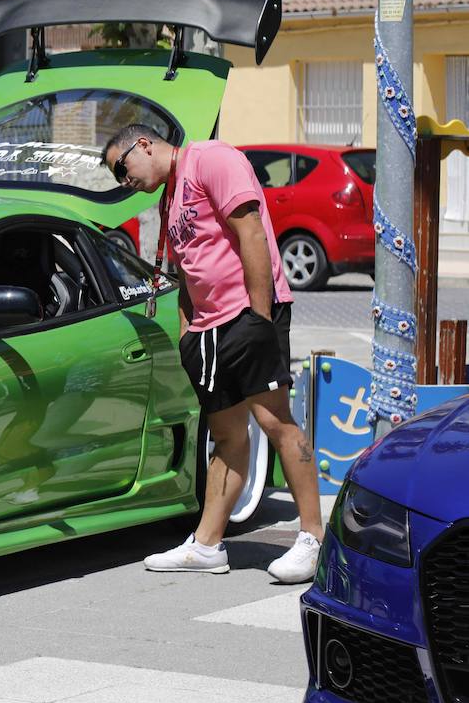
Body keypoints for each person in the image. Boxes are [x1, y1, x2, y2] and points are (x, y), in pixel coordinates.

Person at [102, 124, 323, 583]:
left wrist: (259, 320)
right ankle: (206, 545)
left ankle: (312, 538)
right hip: (209, 329)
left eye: (122, 170)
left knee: (274, 420)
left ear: (143, 144)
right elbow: (187, 272)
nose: (126, 183)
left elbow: (252, 234)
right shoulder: (170, 195)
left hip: (249, 314)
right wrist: (188, 335)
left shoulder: (211, 159)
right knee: (227, 436)